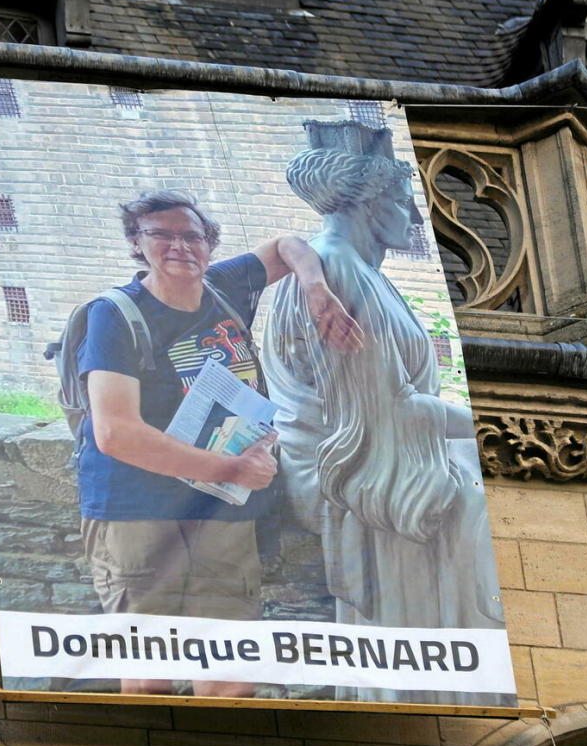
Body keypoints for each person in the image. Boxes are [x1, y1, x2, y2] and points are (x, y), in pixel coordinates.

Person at [262, 121, 510, 705]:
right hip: (348, 469)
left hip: (385, 445)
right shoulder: (337, 271)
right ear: (370, 203)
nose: (415, 216)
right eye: (404, 200)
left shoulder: (354, 269)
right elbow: (383, 413)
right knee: (478, 503)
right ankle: (450, 691)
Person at [79, 189, 362, 697]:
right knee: (150, 674)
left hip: (220, 512)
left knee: (231, 671)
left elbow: (286, 245)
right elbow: (115, 432)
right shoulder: (115, 315)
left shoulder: (224, 287)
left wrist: (314, 286)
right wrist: (229, 469)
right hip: (137, 511)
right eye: (160, 234)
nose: (178, 246)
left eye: (192, 236)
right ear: (136, 244)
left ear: (210, 245)